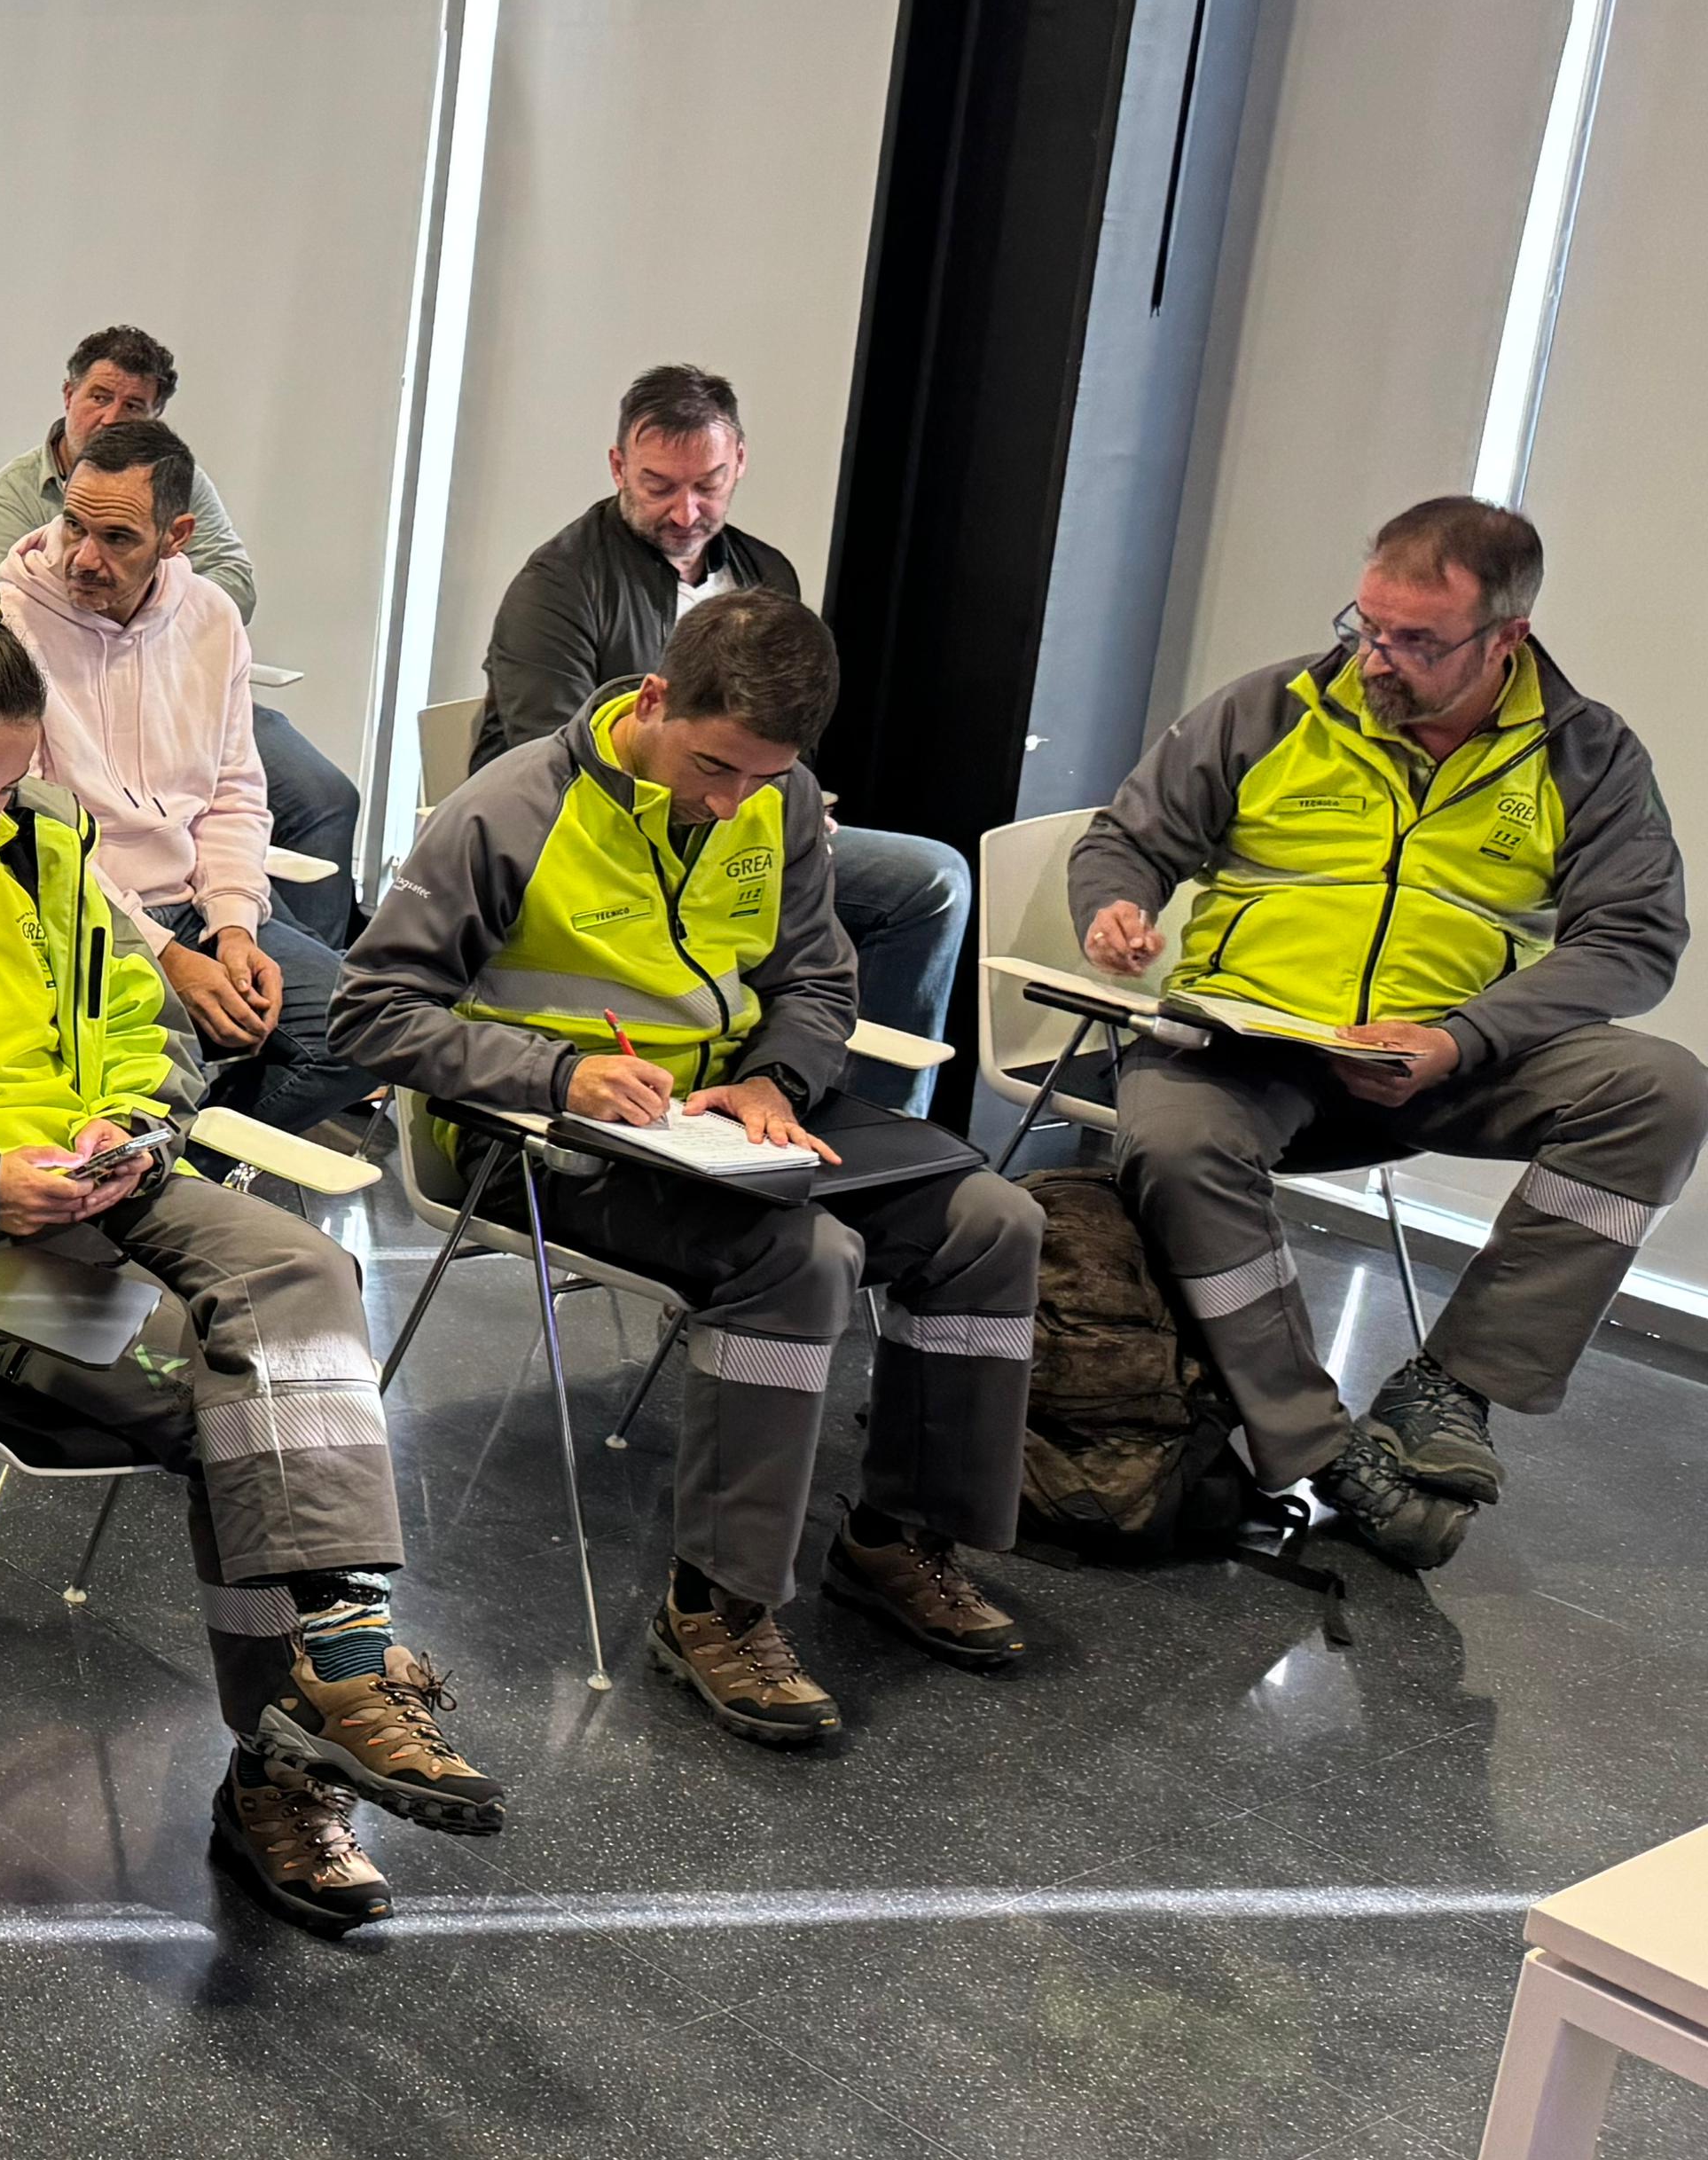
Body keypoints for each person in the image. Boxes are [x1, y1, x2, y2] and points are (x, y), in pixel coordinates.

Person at [0, 574, 498, 1931]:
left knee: (309, 1275)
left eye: (12, 785)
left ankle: (342, 1656)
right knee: (229, 1409)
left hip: (96, 1184)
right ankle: (283, 1781)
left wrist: (136, 1119)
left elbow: (147, 1021)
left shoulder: (42, 851)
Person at [337, 590, 1046, 1746]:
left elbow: (818, 983)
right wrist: (557, 1076)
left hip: (728, 1119)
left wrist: (778, 1079)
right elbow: (373, 1015)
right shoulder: (510, 810)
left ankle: (900, 1535)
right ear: (654, 701)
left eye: (759, 779)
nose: (729, 802)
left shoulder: (783, 802)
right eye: (713, 766)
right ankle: (717, 1608)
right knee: (800, 1260)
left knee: (993, 1219)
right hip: (542, 1135)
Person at [1071, 497, 1701, 1567]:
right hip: (1244, 1049)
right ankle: (1316, 1449)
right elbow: (1124, 839)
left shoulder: (1583, 754)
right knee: (1174, 1148)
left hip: (1446, 1060)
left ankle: (1451, 1389)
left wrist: (1462, 1038)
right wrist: (1113, 907)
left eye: (1415, 641)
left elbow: (1635, 939)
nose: (1376, 657)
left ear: (1506, 639)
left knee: (1661, 1091)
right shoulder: (1271, 708)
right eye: (1366, 625)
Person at [464, 363, 970, 1096]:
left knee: (930, 881)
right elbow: (550, 756)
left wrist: (794, 809)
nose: (685, 511)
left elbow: (786, 734)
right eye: (659, 486)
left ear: (740, 463)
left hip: (735, 826)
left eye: (708, 485)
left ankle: (835, 1102)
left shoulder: (767, 575)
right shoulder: (558, 586)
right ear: (617, 467)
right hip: (603, 838)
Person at [0, 420, 372, 1139]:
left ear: (177, 535)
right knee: (174, 1061)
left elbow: (232, 792)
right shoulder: (9, 622)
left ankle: (187, 1181)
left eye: (117, 539)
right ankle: (157, 1187)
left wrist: (233, 928)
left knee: (364, 1032)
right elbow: (24, 828)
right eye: (74, 525)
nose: (82, 557)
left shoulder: (211, 618)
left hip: (194, 905)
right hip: (78, 918)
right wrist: (165, 957)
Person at [0, 324, 364, 940]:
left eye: (133, 406)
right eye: (100, 397)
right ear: (68, 394)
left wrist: (166, 626)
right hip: (102, 906)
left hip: (177, 688)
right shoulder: (13, 515)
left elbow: (234, 579)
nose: (110, 418)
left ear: (175, 538)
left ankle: (295, 942)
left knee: (324, 799)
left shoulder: (181, 496)